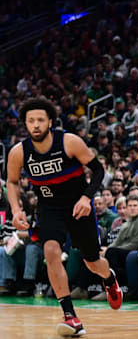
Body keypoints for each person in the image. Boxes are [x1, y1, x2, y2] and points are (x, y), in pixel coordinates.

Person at [6, 98, 123, 337]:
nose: (35, 125)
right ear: (25, 125)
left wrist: (85, 198)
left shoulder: (69, 142)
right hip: (49, 209)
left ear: (50, 121)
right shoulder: (19, 152)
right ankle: (70, 316)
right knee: (51, 251)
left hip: (78, 207)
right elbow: (12, 181)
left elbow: (98, 170)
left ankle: (109, 279)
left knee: (93, 262)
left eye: (40, 120)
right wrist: (17, 210)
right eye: (30, 121)